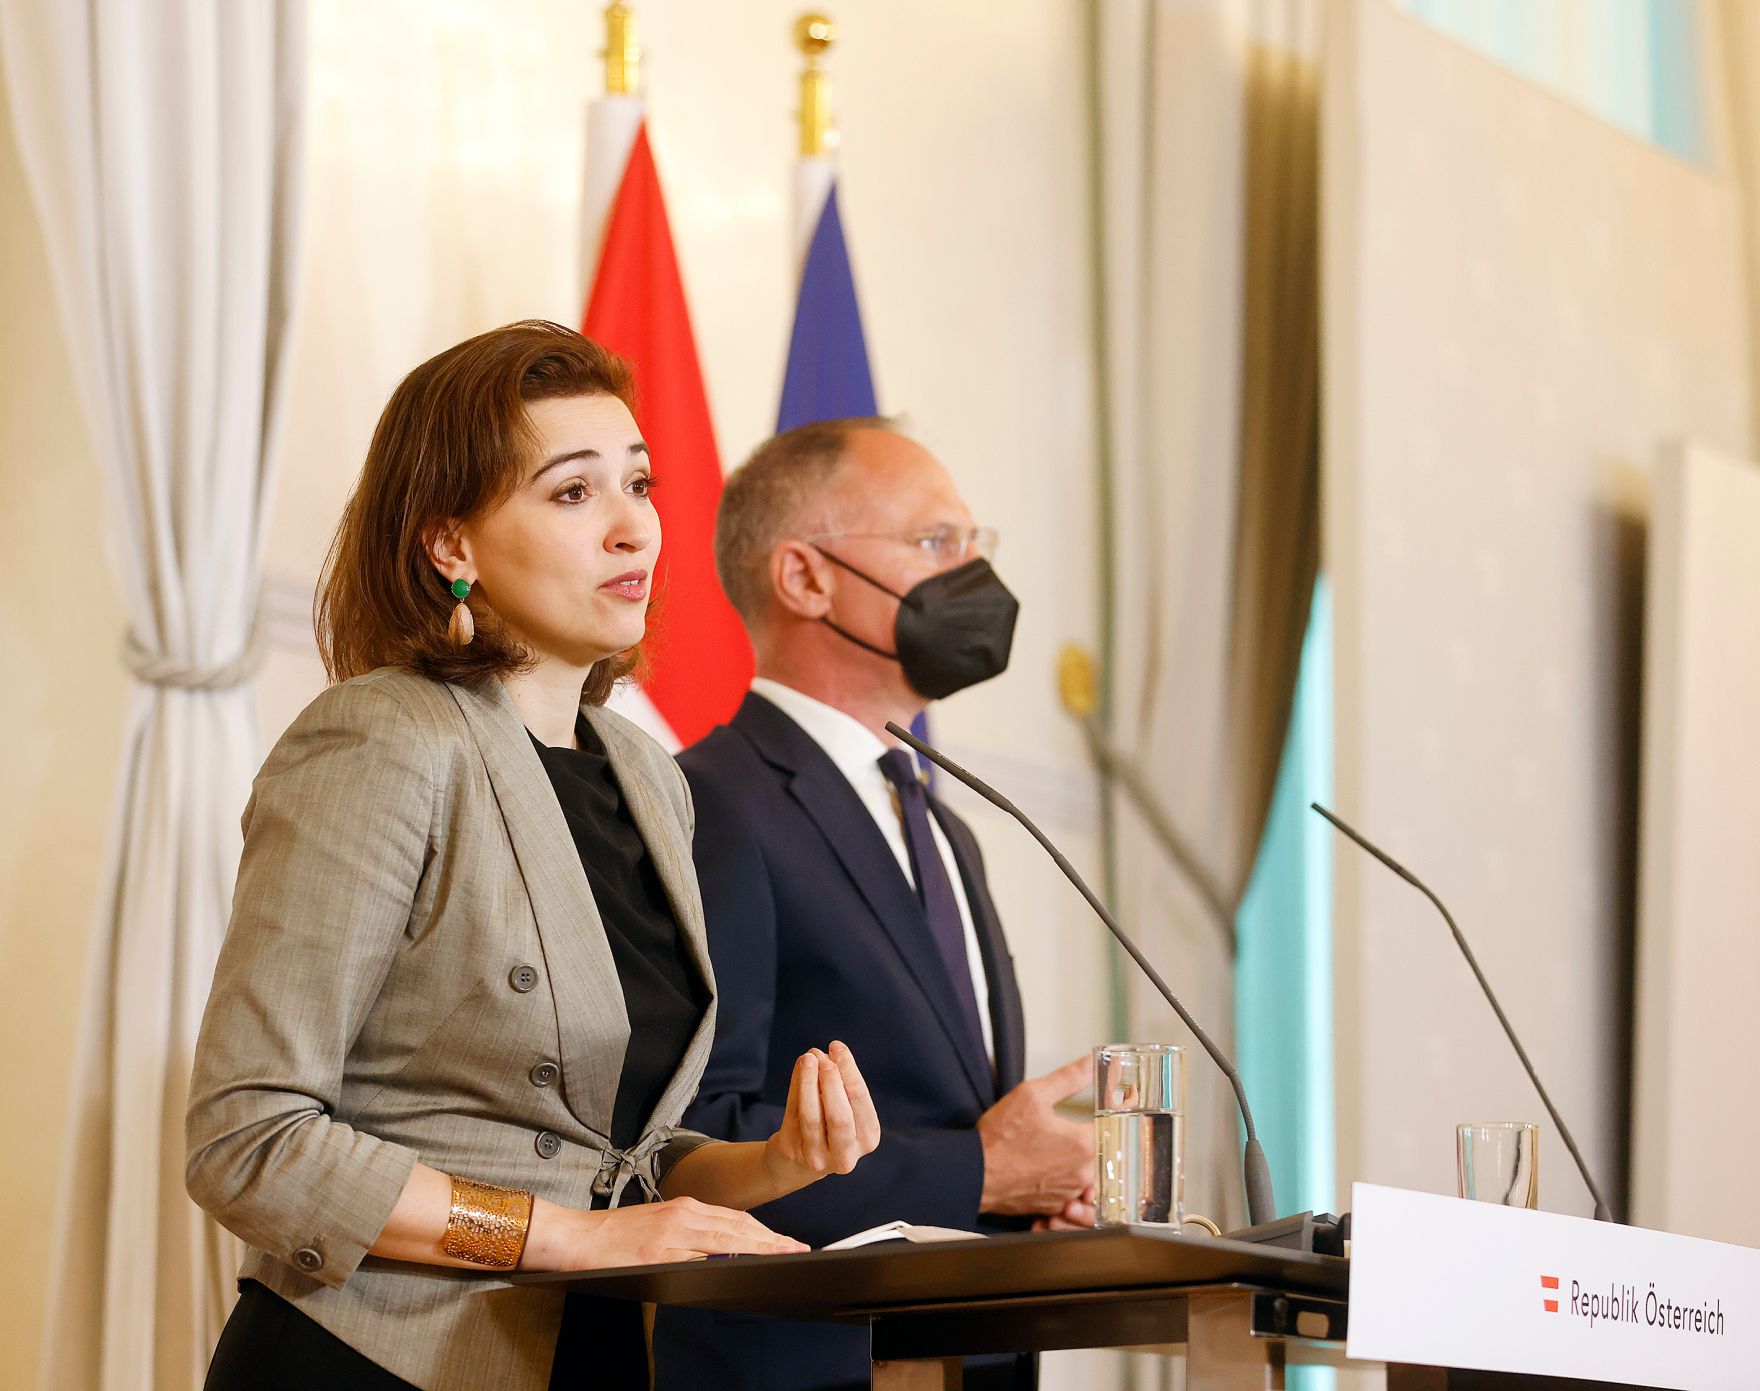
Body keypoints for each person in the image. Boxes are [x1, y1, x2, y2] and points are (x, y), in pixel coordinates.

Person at [184, 322, 880, 1391]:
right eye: (571, 493)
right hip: (368, 1359)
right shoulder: (380, 739)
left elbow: (612, 1155)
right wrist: (568, 1239)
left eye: (638, 484)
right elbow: (250, 1139)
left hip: (587, 1352)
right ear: (449, 546)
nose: (630, 528)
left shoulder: (650, 776)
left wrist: (774, 1163)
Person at [651, 418, 1094, 1391]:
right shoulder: (710, 800)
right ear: (804, 577)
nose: (972, 576)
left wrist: (1032, 1192)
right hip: (811, 1356)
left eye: (977, 546)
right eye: (936, 543)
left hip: (971, 1341)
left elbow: (951, 1108)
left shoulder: (942, 817)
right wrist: (979, 1173)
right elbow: (696, 1131)